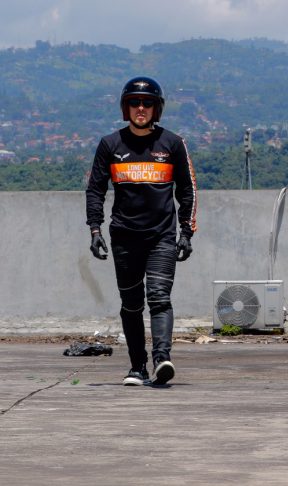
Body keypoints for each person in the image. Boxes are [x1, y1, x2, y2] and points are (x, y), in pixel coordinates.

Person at [86, 76, 197, 386]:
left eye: (147, 103)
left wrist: (186, 232)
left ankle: (162, 360)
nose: (141, 108)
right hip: (124, 237)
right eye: (134, 102)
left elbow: (187, 190)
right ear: (126, 108)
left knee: (159, 297)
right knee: (132, 304)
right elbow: (95, 190)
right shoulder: (110, 145)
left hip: (162, 236)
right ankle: (138, 367)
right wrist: (95, 229)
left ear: (156, 109)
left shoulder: (172, 144)